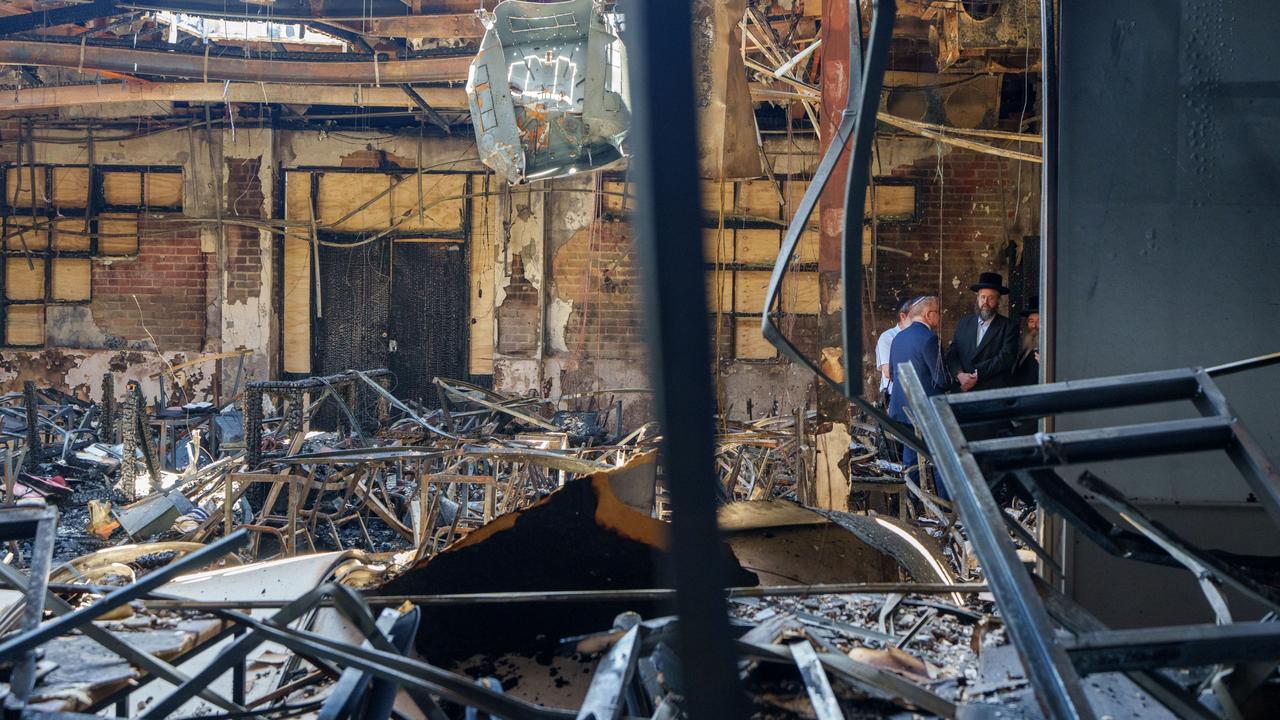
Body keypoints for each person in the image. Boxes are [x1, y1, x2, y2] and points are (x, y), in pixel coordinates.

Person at [887, 296, 951, 498]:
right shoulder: (930, 339)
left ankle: (912, 502)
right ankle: (947, 505)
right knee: (942, 458)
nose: (939, 317)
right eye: (938, 312)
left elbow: (891, 370)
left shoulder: (898, 338)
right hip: (926, 410)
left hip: (901, 409)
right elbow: (941, 379)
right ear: (928, 314)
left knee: (911, 460)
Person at [945, 271, 1020, 395]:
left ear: (998, 301)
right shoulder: (964, 323)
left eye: (991, 298)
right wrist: (959, 375)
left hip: (991, 392)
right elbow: (953, 353)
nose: (985, 302)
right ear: (977, 298)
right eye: (983, 297)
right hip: (962, 391)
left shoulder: (1009, 326)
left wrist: (976, 375)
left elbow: (1006, 357)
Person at [875, 298, 912, 408]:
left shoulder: (917, 336)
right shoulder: (887, 337)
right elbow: (888, 372)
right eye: (914, 315)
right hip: (895, 394)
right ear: (903, 316)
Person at [1011, 295, 1040, 387]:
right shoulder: (1026, 348)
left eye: (1039, 321)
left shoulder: (1048, 350)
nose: (1034, 325)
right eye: (1031, 321)